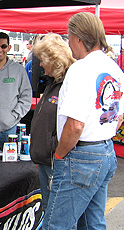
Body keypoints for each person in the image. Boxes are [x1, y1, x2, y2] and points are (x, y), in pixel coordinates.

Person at [43, 12, 124, 230]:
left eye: (69, 38)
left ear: (78, 38)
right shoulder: (114, 69)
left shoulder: (80, 69)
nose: (68, 44)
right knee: (92, 224)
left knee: (56, 226)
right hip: (105, 151)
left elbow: (75, 125)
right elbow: (118, 118)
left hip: (82, 156)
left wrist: (60, 155)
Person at [29, 33, 75, 212]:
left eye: (42, 60)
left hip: (55, 162)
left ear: (54, 60)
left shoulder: (67, 84)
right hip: (46, 160)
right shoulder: (54, 83)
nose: (40, 64)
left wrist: (56, 152)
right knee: (50, 210)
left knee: (57, 214)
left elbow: (74, 125)